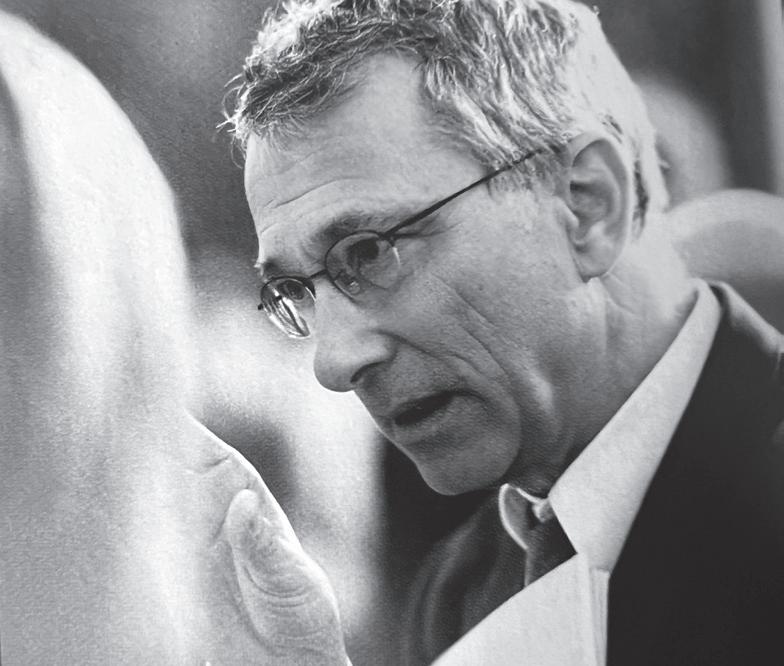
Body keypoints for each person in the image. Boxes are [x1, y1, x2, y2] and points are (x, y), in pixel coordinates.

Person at [224, 0, 784, 663]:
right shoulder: (457, 594)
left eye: (368, 252)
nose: (334, 363)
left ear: (587, 205)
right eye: (294, 291)